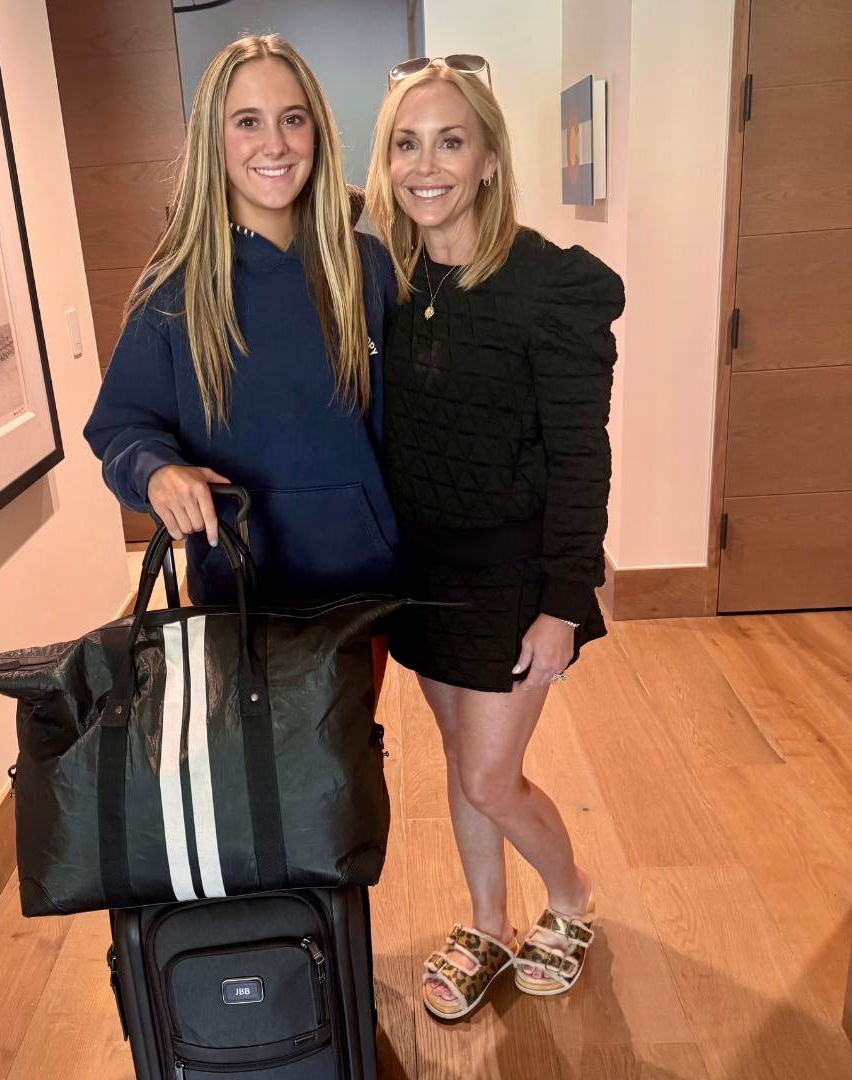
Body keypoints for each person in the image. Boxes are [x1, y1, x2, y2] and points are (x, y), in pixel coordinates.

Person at [366, 56, 625, 1019]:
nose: (425, 165)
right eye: (405, 143)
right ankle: (485, 922)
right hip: (420, 572)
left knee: (489, 773)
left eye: (450, 141)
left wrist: (567, 600)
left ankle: (568, 898)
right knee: (457, 760)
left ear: (486, 158)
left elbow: (580, 459)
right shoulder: (388, 281)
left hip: (513, 577)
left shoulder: (545, 288)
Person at [84, 35, 398, 607]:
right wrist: (156, 472)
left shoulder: (368, 270)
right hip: (237, 600)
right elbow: (120, 429)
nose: (274, 144)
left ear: (317, 132)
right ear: (214, 140)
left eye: (292, 119)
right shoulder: (174, 291)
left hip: (362, 590)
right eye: (248, 122)